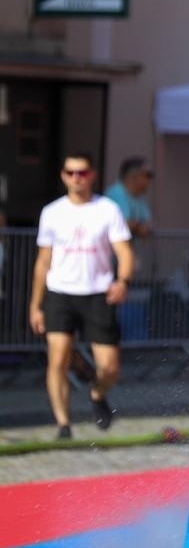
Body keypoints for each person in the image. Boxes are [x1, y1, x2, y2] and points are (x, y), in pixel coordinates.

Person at [28, 153, 135, 440]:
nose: (77, 178)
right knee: (58, 358)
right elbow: (42, 261)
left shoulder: (107, 209)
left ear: (92, 175)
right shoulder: (52, 212)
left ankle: (97, 393)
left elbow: (124, 251)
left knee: (109, 366)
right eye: (71, 172)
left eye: (83, 172)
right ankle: (63, 425)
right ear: (63, 175)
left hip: (98, 292)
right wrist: (35, 305)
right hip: (60, 292)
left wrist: (123, 281)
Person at [104, 156, 154, 239]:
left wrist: (140, 226)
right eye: (147, 175)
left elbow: (149, 223)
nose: (149, 180)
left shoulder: (139, 196)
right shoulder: (116, 193)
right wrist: (139, 227)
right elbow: (122, 224)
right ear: (134, 176)